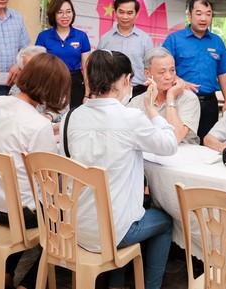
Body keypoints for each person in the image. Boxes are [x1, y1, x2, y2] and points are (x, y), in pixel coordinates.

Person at [62, 50, 177, 289]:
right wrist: (153, 110)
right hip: (114, 233)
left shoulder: (71, 117)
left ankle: (115, 282)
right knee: (166, 220)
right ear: (125, 81)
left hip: (73, 226)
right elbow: (169, 145)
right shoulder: (130, 118)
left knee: (123, 208)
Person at [0, 53, 70, 289]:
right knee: (63, 217)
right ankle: (30, 283)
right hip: (20, 215)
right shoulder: (38, 124)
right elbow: (48, 178)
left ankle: (7, 275)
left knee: (25, 197)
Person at [162, 0, 226, 144]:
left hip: (209, 103)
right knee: (181, 142)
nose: (204, 18)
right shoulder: (174, 39)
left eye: (208, 14)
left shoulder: (216, 41)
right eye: (199, 13)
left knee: (208, 143)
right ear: (189, 15)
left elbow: (223, 72)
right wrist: (180, 82)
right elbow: (163, 69)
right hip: (182, 100)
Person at [129, 47, 201, 145]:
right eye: (162, 72)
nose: (169, 77)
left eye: (172, 70)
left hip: (183, 156)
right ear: (148, 73)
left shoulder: (189, 99)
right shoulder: (136, 102)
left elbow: (175, 138)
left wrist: (170, 97)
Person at [35, 0, 91, 108]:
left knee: (73, 119)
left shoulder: (81, 36)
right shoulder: (43, 37)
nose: (65, 16)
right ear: (53, 14)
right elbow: (38, 67)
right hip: (51, 83)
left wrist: (87, 94)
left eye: (68, 11)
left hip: (75, 84)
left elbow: (86, 67)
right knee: (51, 117)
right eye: (60, 12)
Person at [98, 0, 154, 98]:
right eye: (121, 12)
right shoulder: (105, 39)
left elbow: (151, 68)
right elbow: (99, 67)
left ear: (136, 14)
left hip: (138, 92)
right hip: (109, 93)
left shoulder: (145, 39)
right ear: (115, 12)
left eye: (129, 13)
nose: (125, 17)